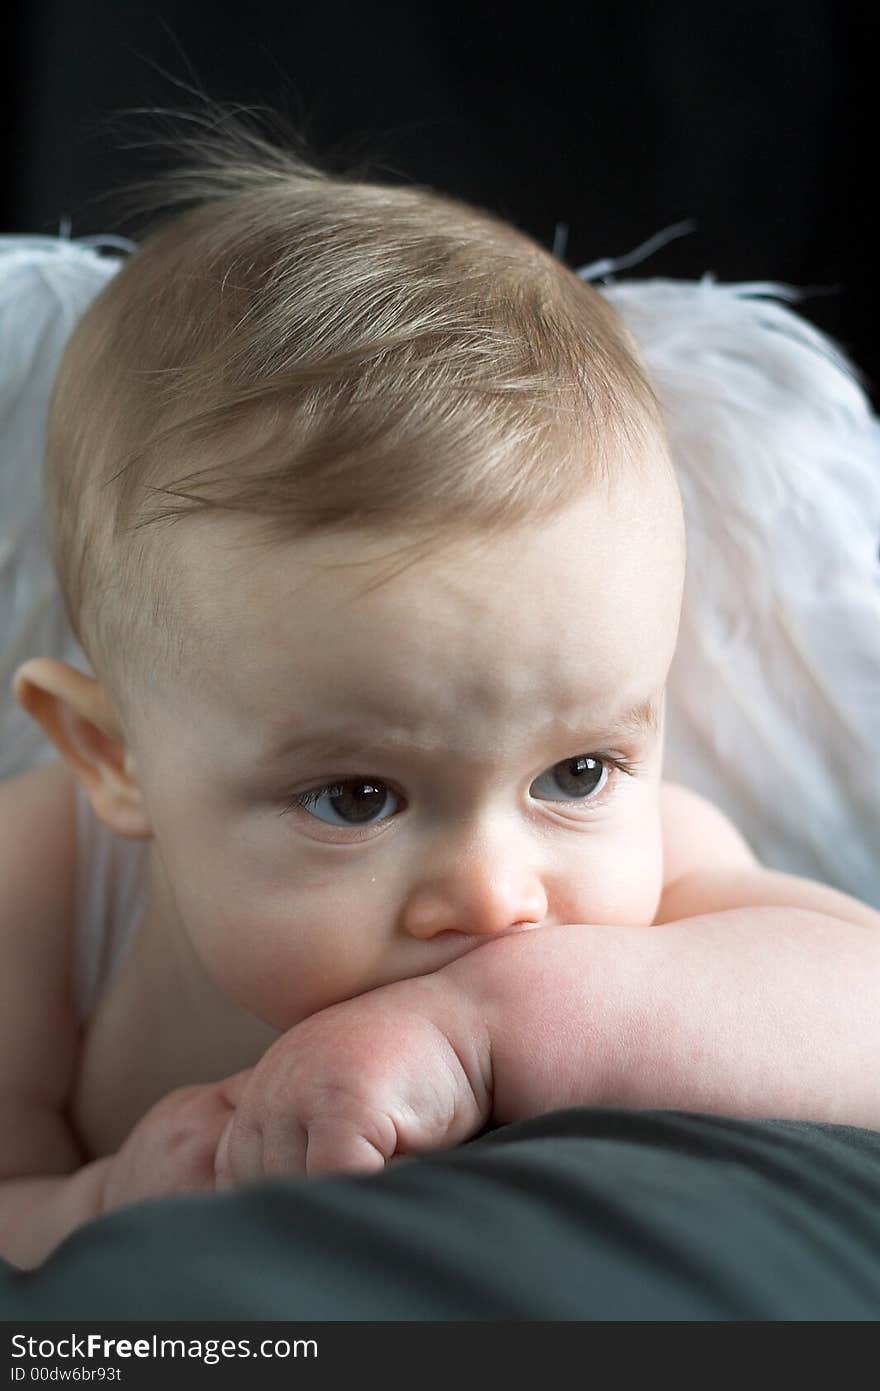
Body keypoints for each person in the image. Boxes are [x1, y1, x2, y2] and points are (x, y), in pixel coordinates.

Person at [2, 108, 878, 1273]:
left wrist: (489, 1030)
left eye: (575, 771)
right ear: (115, 756)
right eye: (357, 796)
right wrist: (99, 1200)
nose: (497, 893)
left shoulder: (659, 862)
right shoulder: (51, 885)